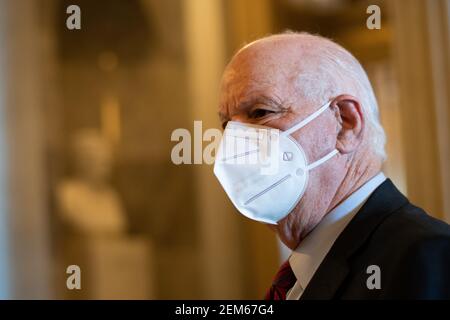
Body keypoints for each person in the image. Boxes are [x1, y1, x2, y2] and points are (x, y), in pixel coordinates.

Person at [213, 32, 450, 299]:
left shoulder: (429, 259)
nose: (234, 144)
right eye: (227, 125)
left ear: (346, 124)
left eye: (260, 113)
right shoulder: (298, 279)